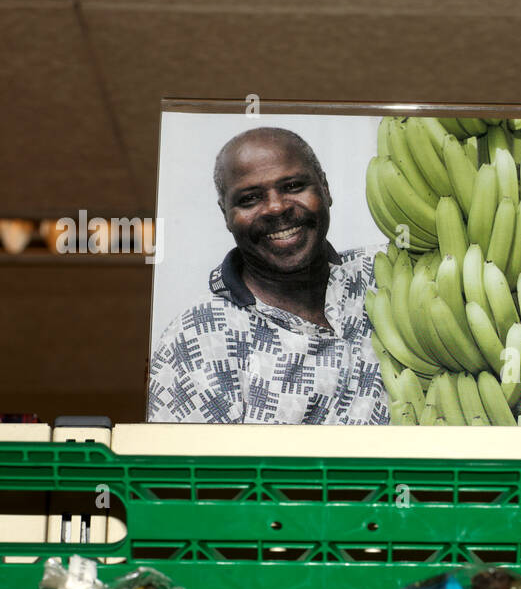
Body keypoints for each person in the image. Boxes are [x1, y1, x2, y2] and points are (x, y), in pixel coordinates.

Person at [147, 127, 388, 424]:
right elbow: (193, 469)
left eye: (293, 186)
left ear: (325, 188)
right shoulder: (197, 340)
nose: (276, 207)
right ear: (226, 215)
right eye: (250, 199)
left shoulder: (384, 276)